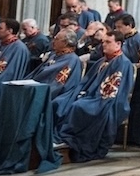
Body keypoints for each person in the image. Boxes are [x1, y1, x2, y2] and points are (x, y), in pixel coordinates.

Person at [55, 28, 135, 162]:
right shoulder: (101, 61)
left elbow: (113, 91)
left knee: (78, 106)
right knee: (64, 101)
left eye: (108, 42)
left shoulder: (123, 63)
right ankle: (62, 140)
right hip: (92, 96)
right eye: (103, 42)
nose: (104, 45)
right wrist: (79, 93)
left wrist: (89, 98)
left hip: (108, 101)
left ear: (118, 44)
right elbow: (85, 81)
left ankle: (73, 140)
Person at [26, 29, 82, 102]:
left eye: (56, 39)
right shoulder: (53, 55)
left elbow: (58, 84)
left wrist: (42, 93)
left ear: (65, 43)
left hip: (50, 93)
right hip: (37, 86)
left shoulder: (72, 60)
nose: (53, 41)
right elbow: (37, 73)